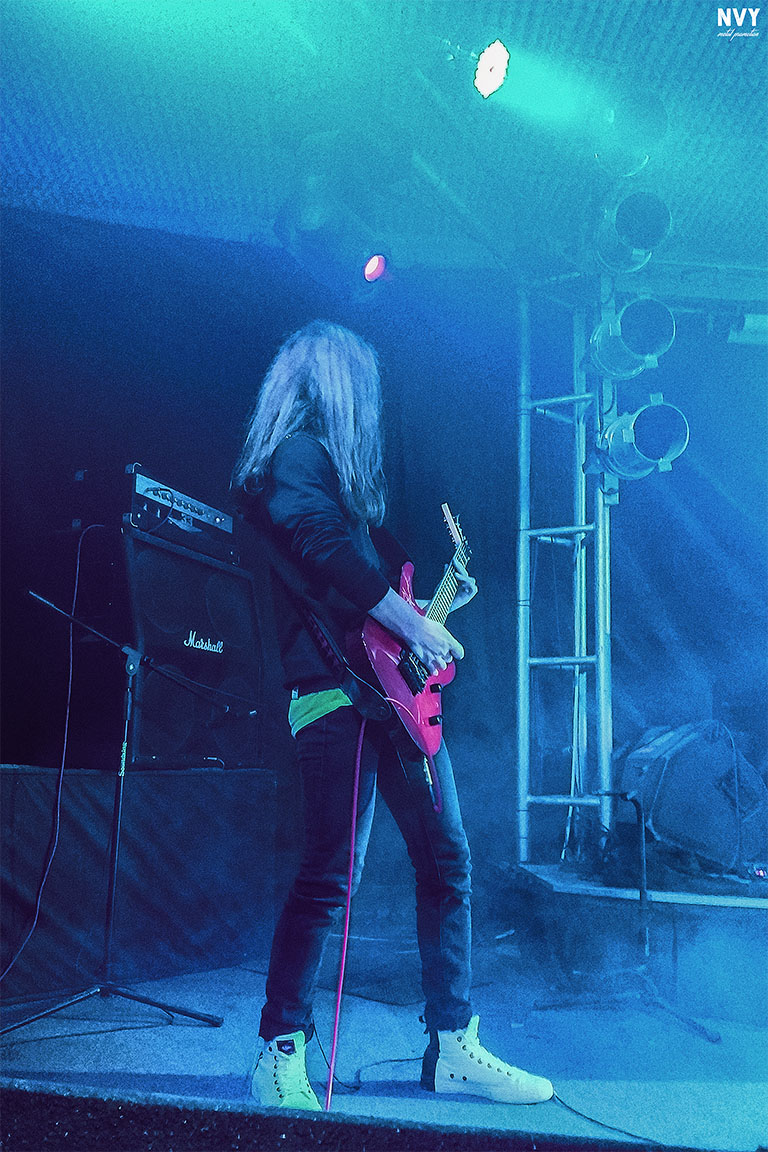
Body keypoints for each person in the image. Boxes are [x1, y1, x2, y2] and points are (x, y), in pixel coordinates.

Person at [233, 320, 553, 1111]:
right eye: (363, 388)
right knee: (329, 876)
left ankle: (453, 1045)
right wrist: (415, 623)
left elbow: (372, 597)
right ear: (336, 384)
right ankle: (279, 1050)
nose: (372, 406)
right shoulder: (295, 457)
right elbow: (321, 551)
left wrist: (432, 610)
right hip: (334, 695)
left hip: (395, 701)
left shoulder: (345, 492)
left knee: (448, 862)